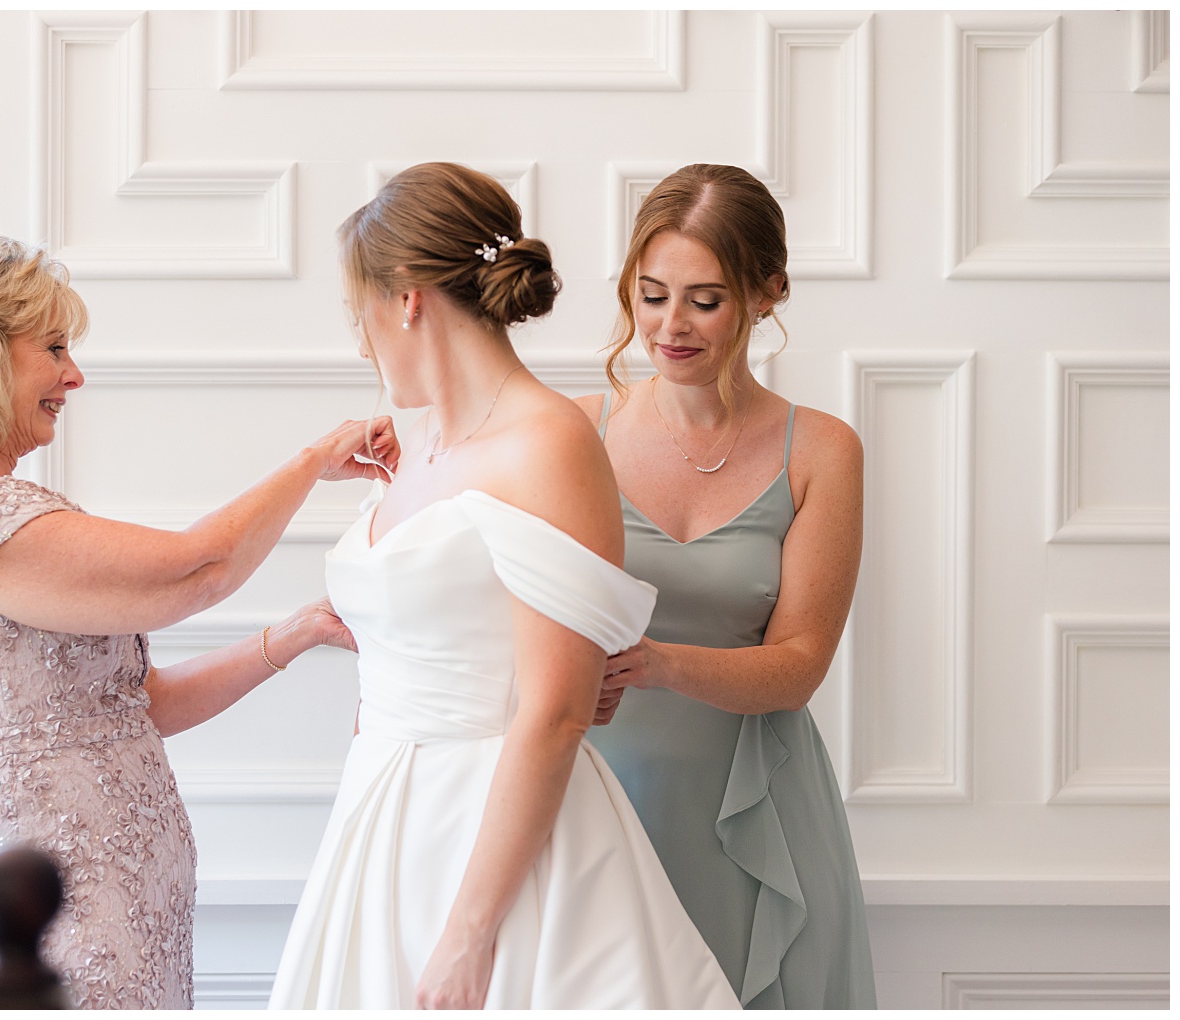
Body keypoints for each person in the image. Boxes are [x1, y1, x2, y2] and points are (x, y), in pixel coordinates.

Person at [0, 235, 399, 1009]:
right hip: (47, 895)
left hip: (110, 891)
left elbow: (139, 707)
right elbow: (196, 569)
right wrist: (314, 459)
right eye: (52, 348)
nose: (73, 375)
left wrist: (293, 633)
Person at [268, 163, 738, 1009]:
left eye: (358, 316)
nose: (360, 341)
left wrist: (469, 934)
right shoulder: (409, 451)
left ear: (406, 300)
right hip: (381, 827)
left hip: (498, 836)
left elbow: (557, 710)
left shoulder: (548, 443)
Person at [577, 163, 875, 1008]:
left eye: (704, 300)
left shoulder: (822, 450)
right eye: (651, 293)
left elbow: (801, 663)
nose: (671, 326)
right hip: (597, 796)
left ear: (767, 293)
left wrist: (660, 663)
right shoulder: (571, 433)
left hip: (754, 812)